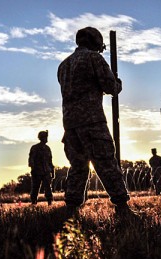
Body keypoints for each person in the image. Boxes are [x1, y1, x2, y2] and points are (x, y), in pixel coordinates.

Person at [57, 26, 134, 217]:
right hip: (92, 121)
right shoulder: (94, 58)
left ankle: (71, 208)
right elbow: (110, 87)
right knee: (106, 163)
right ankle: (122, 207)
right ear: (95, 42)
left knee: (78, 166)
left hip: (70, 126)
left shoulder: (63, 65)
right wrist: (118, 83)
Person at [29, 130, 54, 205]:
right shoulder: (35, 148)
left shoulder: (47, 148)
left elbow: (50, 161)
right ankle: (34, 202)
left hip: (46, 171)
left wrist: (52, 171)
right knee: (35, 188)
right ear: (41, 138)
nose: (46, 139)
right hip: (37, 171)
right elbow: (31, 159)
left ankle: (50, 202)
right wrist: (33, 169)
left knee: (48, 188)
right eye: (45, 137)